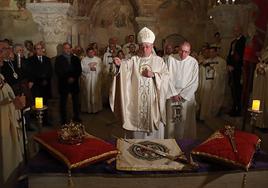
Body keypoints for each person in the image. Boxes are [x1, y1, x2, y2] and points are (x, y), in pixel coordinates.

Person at [110, 27, 172, 139]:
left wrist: (154, 75)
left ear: (152, 47)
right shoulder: (134, 60)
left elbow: (166, 77)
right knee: (135, 131)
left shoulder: (158, 61)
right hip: (136, 102)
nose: (144, 49)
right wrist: (119, 65)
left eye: (147, 47)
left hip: (152, 102)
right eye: (142, 46)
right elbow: (124, 68)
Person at [165, 41, 199, 139]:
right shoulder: (170, 59)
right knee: (171, 120)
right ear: (178, 49)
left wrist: (183, 95)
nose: (183, 54)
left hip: (186, 97)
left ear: (189, 52)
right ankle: (170, 140)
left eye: (186, 52)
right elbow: (166, 77)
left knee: (185, 121)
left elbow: (194, 81)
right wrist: (174, 93)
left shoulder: (193, 62)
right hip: (172, 95)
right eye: (181, 51)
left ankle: (184, 141)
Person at [55, 42, 82, 124]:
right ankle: (63, 119)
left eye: (68, 48)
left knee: (76, 101)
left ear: (71, 49)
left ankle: (76, 117)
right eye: (65, 48)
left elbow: (79, 70)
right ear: (63, 49)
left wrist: (73, 77)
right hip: (64, 83)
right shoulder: (59, 59)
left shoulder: (75, 58)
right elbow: (58, 71)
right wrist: (67, 78)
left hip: (74, 83)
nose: (67, 50)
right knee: (63, 102)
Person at [199, 47, 227, 120]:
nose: (211, 54)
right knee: (206, 100)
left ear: (216, 52)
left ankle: (212, 115)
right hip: (207, 84)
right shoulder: (206, 61)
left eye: (212, 52)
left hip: (216, 84)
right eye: (210, 52)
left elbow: (223, 73)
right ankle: (204, 116)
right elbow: (202, 71)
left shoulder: (222, 61)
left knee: (214, 99)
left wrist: (214, 69)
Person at [227, 26, 246, 116]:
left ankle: (238, 108)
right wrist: (228, 64)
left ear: (241, 31)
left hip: (238, 69)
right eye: (234, 30)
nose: (235, 32)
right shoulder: (233, 42)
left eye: (237, 30)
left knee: (238, 89)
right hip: (232, 68)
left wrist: (234, 66)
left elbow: (240, 56)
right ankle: (234, 107)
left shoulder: (243, 41)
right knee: (232, 88)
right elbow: (230, 54)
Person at [80, 47, 103, 113]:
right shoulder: (84, 60)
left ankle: (96, 109)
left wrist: (96, 69)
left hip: (96, 79)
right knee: (87, 93)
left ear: (94, 52)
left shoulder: (98, 59)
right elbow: (82, 69)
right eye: (89, 52)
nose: (91, 53)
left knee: (96, 93)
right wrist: (89, 68)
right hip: (88, 79)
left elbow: (101, 68)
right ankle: (88, 109)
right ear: (87, 53)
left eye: (92, 52)